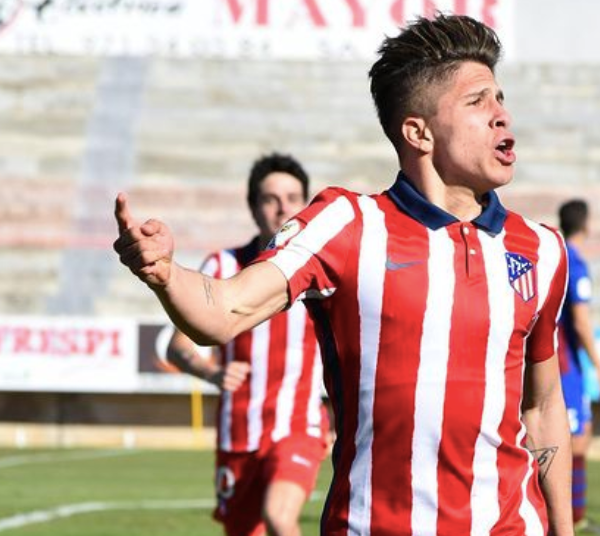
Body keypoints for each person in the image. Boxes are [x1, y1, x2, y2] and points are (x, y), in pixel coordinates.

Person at [115, 14, 574, 536]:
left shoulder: (541, 249)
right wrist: (165, 273)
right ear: (418, 132)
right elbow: (223, 312)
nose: (502, 115)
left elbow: (542, 406)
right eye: (478, 101)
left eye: (500, 98)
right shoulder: (347, 224)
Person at [165, 152, 329, 536]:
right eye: (271, 199)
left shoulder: (321, 268)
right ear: (253, 208)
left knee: (279, 517)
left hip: (296, 427)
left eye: (293, 198)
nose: (282, 208)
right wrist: (210, 372)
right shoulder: (222, 266)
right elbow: (177, 346)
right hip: (237, 435)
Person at [556, 200, 600, 535]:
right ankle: (567, 519)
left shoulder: (555, 254)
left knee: (576, 438)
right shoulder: (575, 263)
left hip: (559, 362)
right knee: (574, 441)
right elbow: (580, 322)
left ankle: (572, 517)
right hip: (564, 365)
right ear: (586, 224)